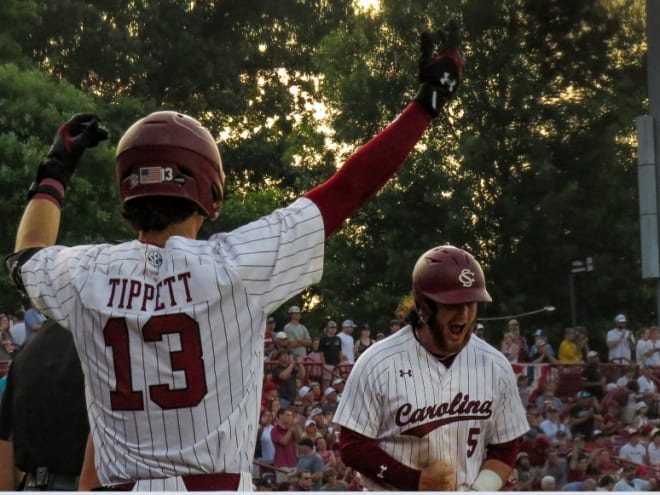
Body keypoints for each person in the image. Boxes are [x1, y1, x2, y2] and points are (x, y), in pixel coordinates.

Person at [6, 18, 464, 491]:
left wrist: (56, 169)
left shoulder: (87, 274)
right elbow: (348, 188)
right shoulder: (236, 264)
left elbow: (28, 255)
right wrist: (427, 103)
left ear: (127, 200)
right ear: (212, 194)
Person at [333, 245, 529, 491]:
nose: (465, 314)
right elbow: (352, 447)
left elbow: (506, 445)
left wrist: (480, 490)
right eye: (454, 304)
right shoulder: (378, 362)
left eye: (472, 303)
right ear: (423, 305)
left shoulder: (495, 364)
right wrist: (414, 481)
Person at [0, 320, 88, 490]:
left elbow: (4, 442)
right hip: (85, 482)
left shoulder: (29, 348)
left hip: (35, 484)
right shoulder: (102, 343)